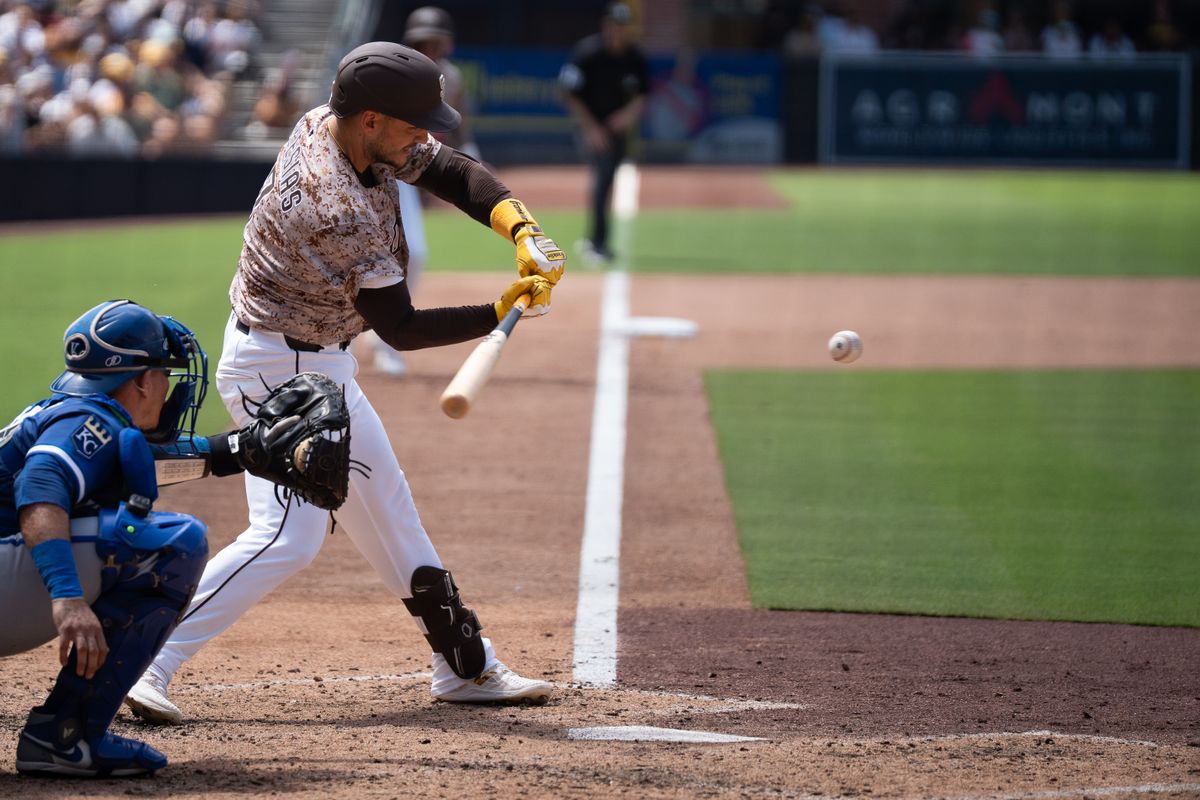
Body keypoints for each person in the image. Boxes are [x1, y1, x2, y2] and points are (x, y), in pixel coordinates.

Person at [124, 40, 565, 725]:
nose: (424, 135)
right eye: (414, 124)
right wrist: (501, 309)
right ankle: (142, 660)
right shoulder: (335, 205)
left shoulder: (340, 124)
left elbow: (448, 169)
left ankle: (462, 665)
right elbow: (402, 329)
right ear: (370, 121)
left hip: (309, 356)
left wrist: (521, 228)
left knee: (387, 505)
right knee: (287, 537)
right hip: (283, 369)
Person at [0, 300, 210, 777]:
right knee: (172, 544)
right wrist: (68, 597)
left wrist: (240, 451)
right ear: (140, 380)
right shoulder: (90, 420)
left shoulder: (78, 412)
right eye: (164, 372)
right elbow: (39, 489)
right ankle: (67, 734)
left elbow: (143, 460)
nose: (169, 385)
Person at [363, 6, 478, 377]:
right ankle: (372, 335)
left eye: (436, 41)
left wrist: (470, 161)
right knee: (368, 255)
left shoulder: (453, 79)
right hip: (378, 172)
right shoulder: (393, 72)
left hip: (410, 173)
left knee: (412, 254)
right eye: (424, 41)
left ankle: (379, 333)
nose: (431, 48)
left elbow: (458, 130)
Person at [559, 2, 649, 265]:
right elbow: (568, 93)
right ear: (605, 26)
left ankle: (595, 240)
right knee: (603, 177)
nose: (618, 31)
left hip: (616, 127)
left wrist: (627, 115)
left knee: (609, 179)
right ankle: (596, 243)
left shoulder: (634, 56)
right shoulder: (588, 53)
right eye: (614, 25)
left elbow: (643, 94)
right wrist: (591, 128)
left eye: (623, 26)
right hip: (589, 124)